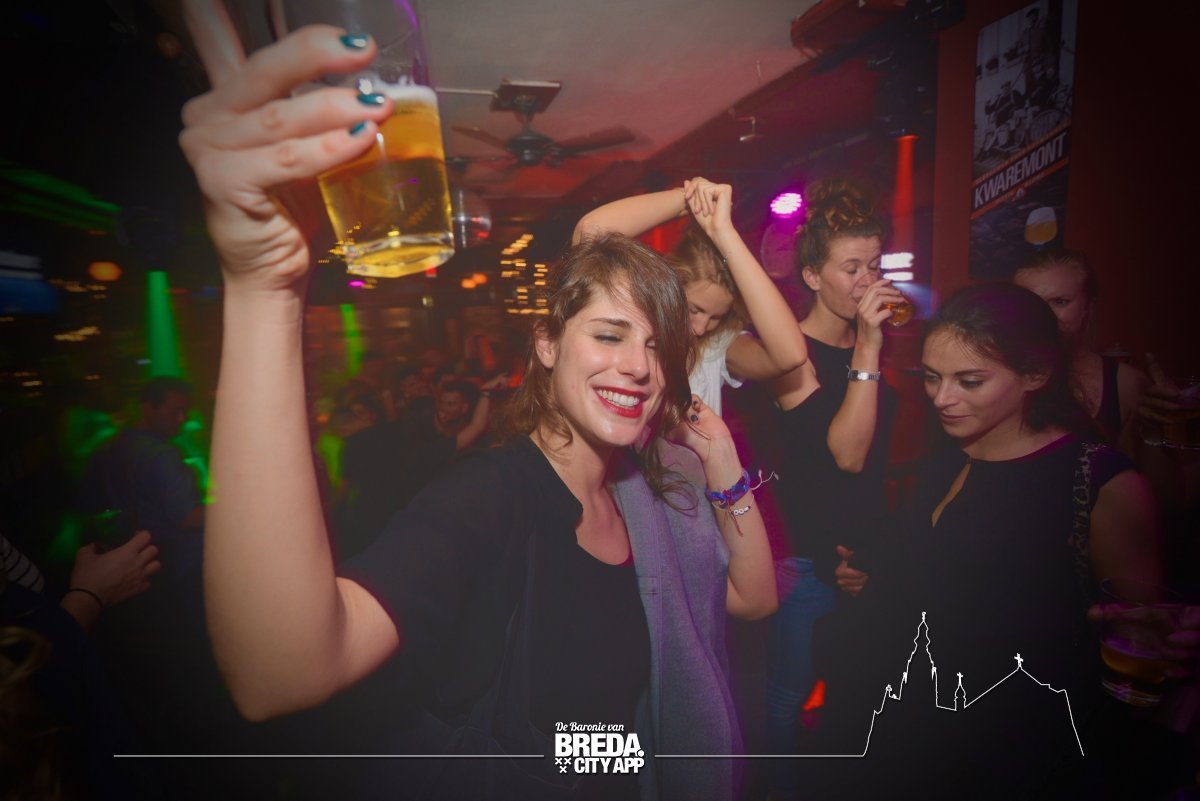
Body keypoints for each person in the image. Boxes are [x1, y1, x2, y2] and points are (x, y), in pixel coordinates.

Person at [178, 13, 775, 801]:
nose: (638, 365)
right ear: (547, 344)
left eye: (657, 347)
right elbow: (280, 672)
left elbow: (751, 599)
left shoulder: (650, 488)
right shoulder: (493, 495)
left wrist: (723, 459)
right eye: (608, 334)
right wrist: (264, 292)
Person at [829, 283, 1164, 799]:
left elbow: (1143, 637)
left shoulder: (1101, 482)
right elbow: (952, 572)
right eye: (932, 377)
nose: (943, 398)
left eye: (970, 381)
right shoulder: (949, 454)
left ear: (1036, 374)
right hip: (926, 727)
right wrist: (876, 576)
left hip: (1020, 742)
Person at [760, 177, 904, 797]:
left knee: (859, 695)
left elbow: (875, 469)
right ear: (813, 275)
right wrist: (869, 346)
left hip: (863, 558)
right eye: (851, 268)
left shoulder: (873, 346)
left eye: (874, 265)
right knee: (787, 701)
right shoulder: (788, 354)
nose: (868, 281)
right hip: (803, 560)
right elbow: (846, 454)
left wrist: (877, 551)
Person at [572, 177, 807, 416]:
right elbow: (591, 231)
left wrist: (724, 232)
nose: (701, 328)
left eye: (715, 317)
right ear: (669, 289)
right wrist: (690, 199)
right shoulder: (634, 329)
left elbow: (790, 355)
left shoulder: (715, 349)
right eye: (695, 309)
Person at [1013, 249, 1148, 451]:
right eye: (1031, 302)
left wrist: (1160, 431)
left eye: (1060, 301)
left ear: (1087, 307)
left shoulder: (1126, 384)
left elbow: (1140, 469)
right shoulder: (990, 378)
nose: (1044, 314)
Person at [78, 376, 204, 583]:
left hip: (133, 558)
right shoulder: (162, 454)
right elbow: (187, 517)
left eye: (185, 412)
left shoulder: (112, 445)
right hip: (175, 560)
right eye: (175, 411)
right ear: (148, 409)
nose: (182, 419)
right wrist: (231, 509)